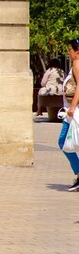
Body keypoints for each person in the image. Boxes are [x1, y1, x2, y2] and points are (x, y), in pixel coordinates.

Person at [61, 39, 79, 192]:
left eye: (70, 49)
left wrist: (72, 107)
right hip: (72, 111)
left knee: (63, 142)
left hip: (73, 113)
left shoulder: (77, 64)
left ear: (77, 50)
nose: (69, 52)